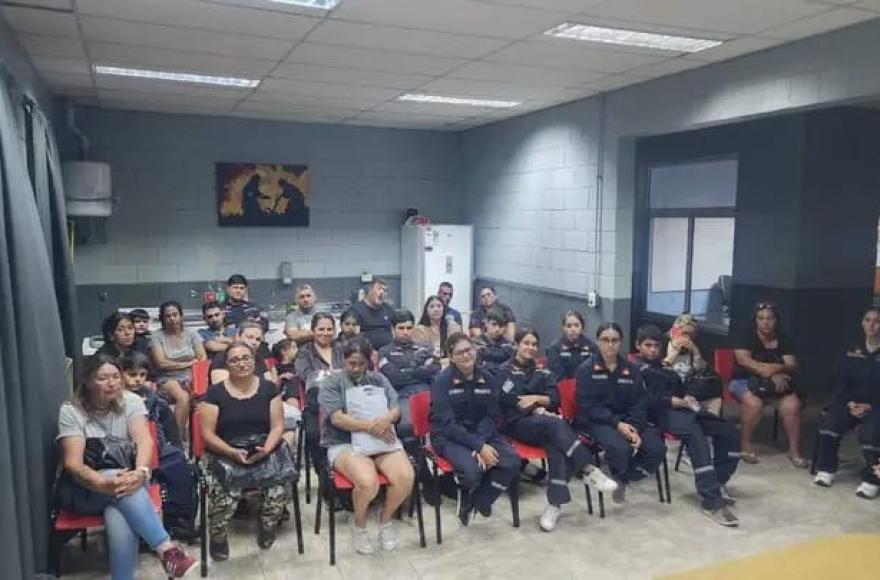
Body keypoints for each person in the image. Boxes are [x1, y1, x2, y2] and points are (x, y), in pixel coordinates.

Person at [56, 354, 198, 578]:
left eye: (116, 376)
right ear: (88, 380)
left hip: (129, 482)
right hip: (85, 487)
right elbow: (73, 464)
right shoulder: (71, 411)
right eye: (103, 378)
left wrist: (141, 471)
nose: (112, 383)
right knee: (122, 490)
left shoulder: (131, 400)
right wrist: (103, 483)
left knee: (119, 513)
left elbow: (144, 441)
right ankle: (166, 549)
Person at [497, 327, 617, 532]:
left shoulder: (543, 370)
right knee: (557, 425)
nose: (530, 347)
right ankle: (586, 467)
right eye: (526, 343)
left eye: (534, 344)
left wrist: (535, 398)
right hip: (517, 425)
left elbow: (555, 398)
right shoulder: (504, 370)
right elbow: (512, 401)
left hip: (545, 426)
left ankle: (554, 506)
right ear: (516, 344)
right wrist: (540, 409)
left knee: (556, 443)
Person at [634, 324, 740, 527]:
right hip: (657, 414)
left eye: (656, 346)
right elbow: (647, 398)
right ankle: (711, 500)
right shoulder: (636, 367)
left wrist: (686, 397)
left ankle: (717, 481)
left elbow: (681, 386)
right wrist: (669, 364)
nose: (653, 350)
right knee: (695, 435)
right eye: (648, 345)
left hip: (682, 408)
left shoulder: (662, 365)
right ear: (638, 346)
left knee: (729, 431)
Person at [318, 337, 415, 555]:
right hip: (344, 442)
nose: (356, 368)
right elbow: (338, 419)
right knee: (368, 482)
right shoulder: (332, 383)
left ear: (368, 361)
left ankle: (385, 520)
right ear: (344, 360)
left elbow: (395, 407)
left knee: (406, 477)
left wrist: (387, 419)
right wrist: (371, 426)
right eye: (351, 363)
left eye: (361, 364)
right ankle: (359, 525)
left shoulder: (378, 379)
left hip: (381, 438)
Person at [198, 344, 292, 559]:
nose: (241, 363)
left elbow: (277, 426)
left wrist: (267, 449)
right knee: (225, 497)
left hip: (263, 448)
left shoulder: (269, 388)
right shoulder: (214, 393)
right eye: (235, 360)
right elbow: (207, 435)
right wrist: (232, 452)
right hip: (224, 451)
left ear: (254, 360)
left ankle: (268, 524)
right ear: (227, 365)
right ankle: (218, 535)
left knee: (279, 488)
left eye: (246, 358)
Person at [430, 332, 520, 526]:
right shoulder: (441, 382)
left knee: (512, 461)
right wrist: (478, 447)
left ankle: (480, 499)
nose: (466, 355)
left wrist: (480, 442)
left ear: (475, 350)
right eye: (459, 353)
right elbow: (448, 424)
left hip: (482, 433)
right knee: (473, 472)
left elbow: (492, 416)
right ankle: (459, 487)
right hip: (448, 436)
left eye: (469, 350)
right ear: (451, 357)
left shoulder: (488, 378)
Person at [575, 322, 665, 503]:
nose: (610, 344)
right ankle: (620, 475)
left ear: (620, 342)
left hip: (629, 420)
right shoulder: (586, 369)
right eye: (605, 340)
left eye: (614, 340)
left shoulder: (632, 369)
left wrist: (634, 427)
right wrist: (618, 424)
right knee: (621, 448)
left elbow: (640, 401)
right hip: (599, 421)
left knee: (657, 449)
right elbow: (588, 406)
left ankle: (626, 475)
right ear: (598, 342)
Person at [120, 351, 197, 539]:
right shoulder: (114, 398)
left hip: (157, 448)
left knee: (180, 464)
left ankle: (178, 521)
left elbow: (168, 429)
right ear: (121, 373)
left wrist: (174, 447)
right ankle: (142, 531)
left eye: (142, 375)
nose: (137, 380)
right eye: (132, 374)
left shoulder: (153, 398)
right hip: (125, 452)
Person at [814, 306, 880, 499]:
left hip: (876, 407)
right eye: (867, 320)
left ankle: (872, 479)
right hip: (850, 403)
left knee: (871, 434)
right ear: (862, 323)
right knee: (830, 422)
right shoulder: (850, 349)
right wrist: (849, 402)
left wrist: (872, 406)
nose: (871, 325)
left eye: (877, 321)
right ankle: (826, 469)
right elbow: (839, 381)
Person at [729, 302, 805, 467]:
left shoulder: (784, 339)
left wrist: (776, 371)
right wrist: (773, 372)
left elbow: (791, 365)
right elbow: (744, 361)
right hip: (743, 380)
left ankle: (794, 450)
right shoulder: (745, 336)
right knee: (753, 403)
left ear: (776, 320)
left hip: (777, 382)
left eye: (769, 318)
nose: (765, 322)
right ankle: (745, 445)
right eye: (761, 318)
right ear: (755, 320)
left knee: (792, 405)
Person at [378, 310, 442, 438]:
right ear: (393, 329)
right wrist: (421, 370)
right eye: (401, 328)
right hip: (402, 394)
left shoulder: (425, 347)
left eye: (409, 328)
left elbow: (435, 368)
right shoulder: (384, 351)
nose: (406, 332)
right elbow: (395, 378)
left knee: (444, 421)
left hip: (428, 391)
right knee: (406, 426)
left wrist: (405, 371)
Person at [295, 313, 345, 473]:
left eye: (329, 329)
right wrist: (337, 375)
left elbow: (352, 371)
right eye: (321, 329)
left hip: (344, 400)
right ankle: (324, 475)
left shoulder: (343, 348)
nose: (325, 333)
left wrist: (326, 376)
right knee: (313, 434)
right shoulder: (304, 352)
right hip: (316, 403)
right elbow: (308, 376)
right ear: (313, 330)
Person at [151, 301, 207, 437]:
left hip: (192, 376)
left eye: (175, 315)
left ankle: (195, 442)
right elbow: (161, 363)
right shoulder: (157, 336)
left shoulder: (191, 334)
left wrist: (192, 374)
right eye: (168, 316)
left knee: (199, 400)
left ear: (181, 316)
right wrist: (188, 363)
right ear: (163, 319)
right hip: (168, 378)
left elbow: (202, 359)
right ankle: (175, 439)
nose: (172, 319)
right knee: (183, 398)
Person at [663, 314, 722, 416]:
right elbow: (657, 369)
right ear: (674, 330)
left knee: (715, 383)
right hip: (670, 382)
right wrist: (673, 355)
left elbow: (701, 370)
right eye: (684, 333)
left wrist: (696, 352)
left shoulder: (697, 344)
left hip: (690, 382)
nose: (688, 337)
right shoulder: (663, 343)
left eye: (691, 334)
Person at [209, 321, 276, 385]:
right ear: (238, 336)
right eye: (250, 337)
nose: (254, 342)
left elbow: (269, 384)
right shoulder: (222, 358)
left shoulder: (258, 358)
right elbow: (220, 389)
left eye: (258, 339)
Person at [546, 310, 596, 380]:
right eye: (569, 326)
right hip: (563, 384)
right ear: (564, 328)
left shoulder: (592, 346)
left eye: (576, 325)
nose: (573, 329)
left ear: (582, 327)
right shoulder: (555, 348)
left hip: (586, 383)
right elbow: (555, 375)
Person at [272, 338, 302, 445]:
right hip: (282, 391)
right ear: (283, 351)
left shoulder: (299, 364)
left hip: (296, 389)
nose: (297, 350)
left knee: (292, 382)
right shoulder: (276, 367)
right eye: (294, 348)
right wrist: (281, 377)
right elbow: (273, 384)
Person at [351, 278, 395, 350]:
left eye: (385, 290)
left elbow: (394, 332)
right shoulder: (356, 310)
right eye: (379, 289)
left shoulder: (389, 309)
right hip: (365, 351)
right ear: (370, 290)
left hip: (387, 352)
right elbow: (355, 337)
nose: (382, 292)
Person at [473, 307, 515, 377]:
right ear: (486, 323)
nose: (497, 329)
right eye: (494, 324)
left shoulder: (509, 346)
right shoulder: (474, 343)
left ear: (505, 327)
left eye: (501, 326)